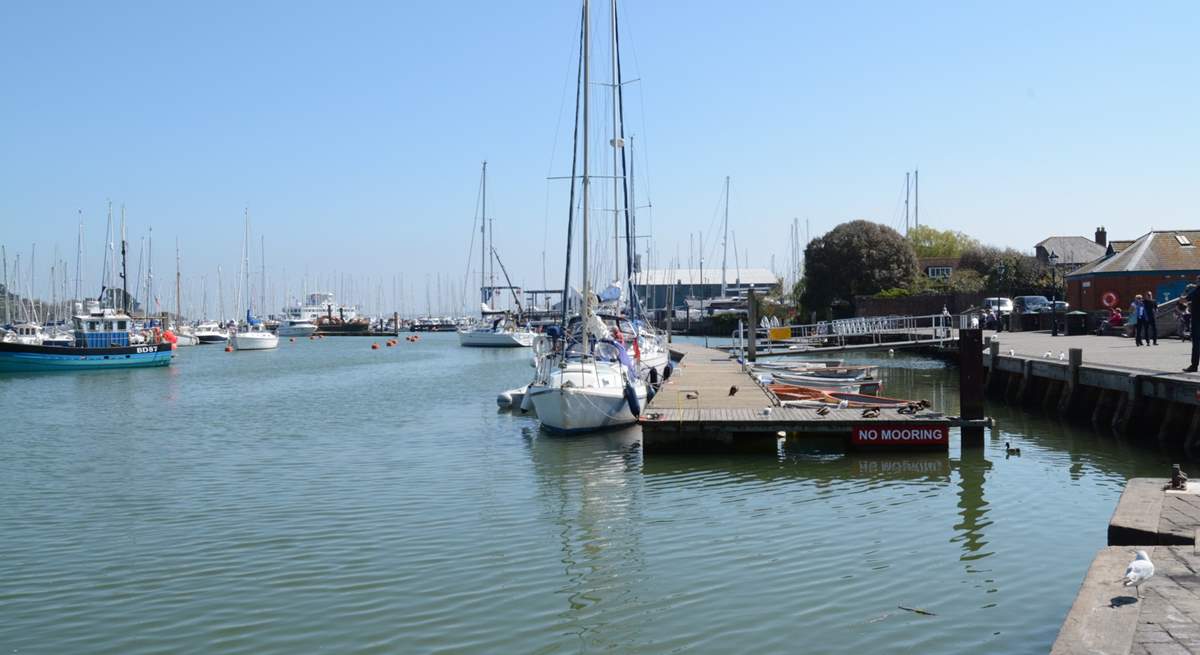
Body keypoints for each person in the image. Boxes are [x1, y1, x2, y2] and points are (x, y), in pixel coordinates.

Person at [1185, 279, 1200, 372]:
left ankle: (1194, 366)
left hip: (1197, 321)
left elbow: (1182, 300)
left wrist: (1186, 289)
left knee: (1196, 344)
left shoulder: (1196, 292)